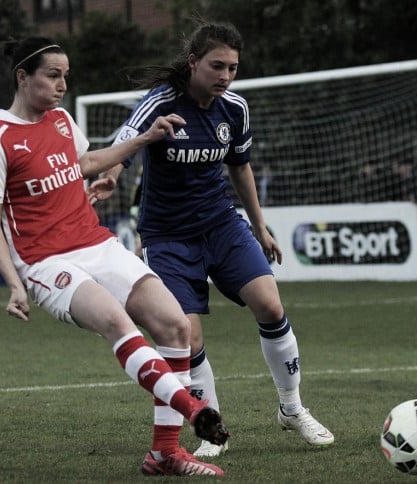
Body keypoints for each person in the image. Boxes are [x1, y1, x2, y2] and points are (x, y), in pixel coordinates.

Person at [0, 37, 229, 477]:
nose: (62, 85)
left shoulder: (63, 121)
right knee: (116, 322)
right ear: (22, 77)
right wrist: (15, 282)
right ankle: (192, 407)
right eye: (53, 75)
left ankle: (164, 453)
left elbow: (88, 162)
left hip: (97, 244)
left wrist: (146, 137)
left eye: (65, 76)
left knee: (176, 324)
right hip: (46, 263)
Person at [93, 20, 334, 457]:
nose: (225, 76)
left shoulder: (235, 109)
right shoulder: (160, 103)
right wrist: (109, 176)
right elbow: (125, 143)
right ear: (193, 63)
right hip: (167, 237)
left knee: (271, 303)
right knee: (187, 335)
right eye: (216, 66)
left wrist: (260, 227)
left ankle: (293, 408)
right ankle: (213, 429)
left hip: (222, 224)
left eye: (233, 68)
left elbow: (240, 167)